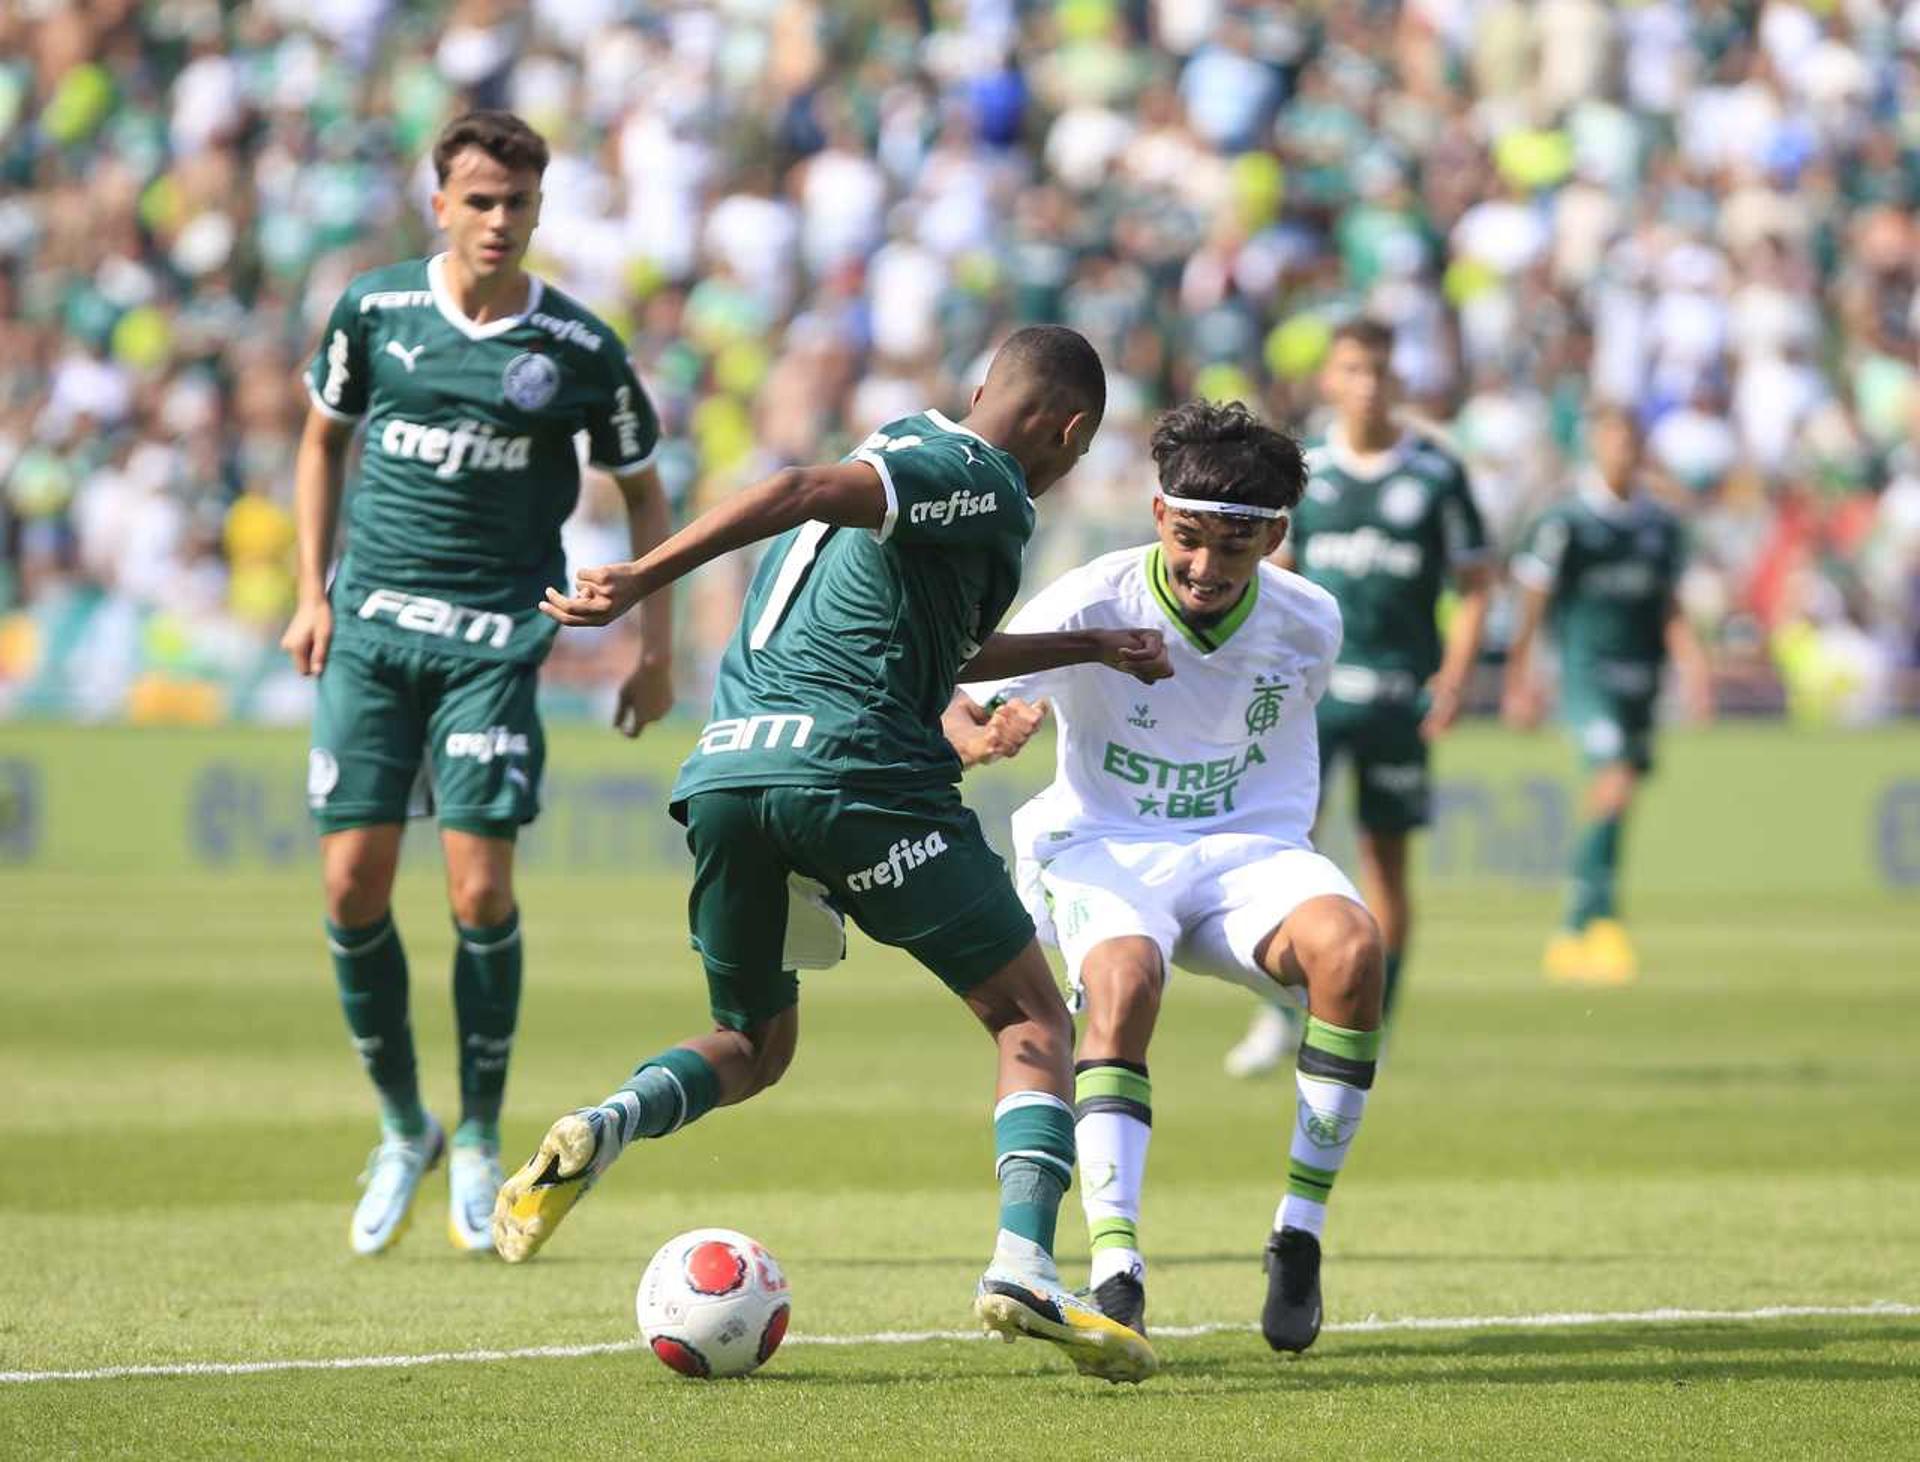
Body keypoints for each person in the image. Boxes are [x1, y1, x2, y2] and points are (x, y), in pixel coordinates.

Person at [493, 326, 1168, 1385]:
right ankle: (1025, 1264)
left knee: (754, 1042)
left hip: (727, 778)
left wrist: (1083, 648)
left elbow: (937, 647)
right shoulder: (974, 475)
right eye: (1080, 451)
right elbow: (804, 487)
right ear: (1068, 429)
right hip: (852, 775)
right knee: (1032, 1016)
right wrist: (639, 579)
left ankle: (604, 1125)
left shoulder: (922, 481)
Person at [281, 111, 675, 1257]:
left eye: (519, 203)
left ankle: (484, 1135)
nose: (499, 220)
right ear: (439, 203)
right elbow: (321, 442)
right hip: (369, 628)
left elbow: (645, 495)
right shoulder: (377, 311)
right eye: (480, 200)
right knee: (353, 882)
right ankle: (405, 1126)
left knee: (479, 896)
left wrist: (654, 648)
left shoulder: (581, 349)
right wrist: (311, 592)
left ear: (539, 211)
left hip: (494, 638)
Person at [946, 399, 1385, 1354]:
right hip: (1101, 843)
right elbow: (964, 691)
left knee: (1353, 950)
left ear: (1273, 537)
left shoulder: (1311, 620)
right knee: (1126, 977)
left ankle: (1297, 1236)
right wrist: (980, 733)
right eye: (1189, 539)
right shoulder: (1089, 601)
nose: (1206, 567)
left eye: (1236, 547)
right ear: (1158, 518)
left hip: (1247, 853)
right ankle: (1118, 1268)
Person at [1224, 317, 1491, 1077]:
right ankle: (1277, 1010)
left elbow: (1475, 585)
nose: (1368, 384)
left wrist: (1458, 674)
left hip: (1402, 695)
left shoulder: (1436, 476)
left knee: (1386, 860)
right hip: (1310, 699)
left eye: (1379, 369)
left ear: (1395, 379)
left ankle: (1372, 1020)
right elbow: (1274, 581)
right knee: (1281, 849)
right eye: (1353, 369)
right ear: (1331, 380)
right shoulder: (1304, 473)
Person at [1503, 406, 1713, 983]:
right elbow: (1534, 599)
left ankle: (1601, 915)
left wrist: (1693, 666)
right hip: (1585, 671)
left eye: (1630, 439)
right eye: (1612, 438)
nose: (1622, 450)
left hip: (1641, 675)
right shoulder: (1566, 520)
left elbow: (1668, 603)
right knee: (1613, 782)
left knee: (1623, 792)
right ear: (1596, 445)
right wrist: (1520, 675)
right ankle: (1581, 923)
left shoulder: (1660, 525)